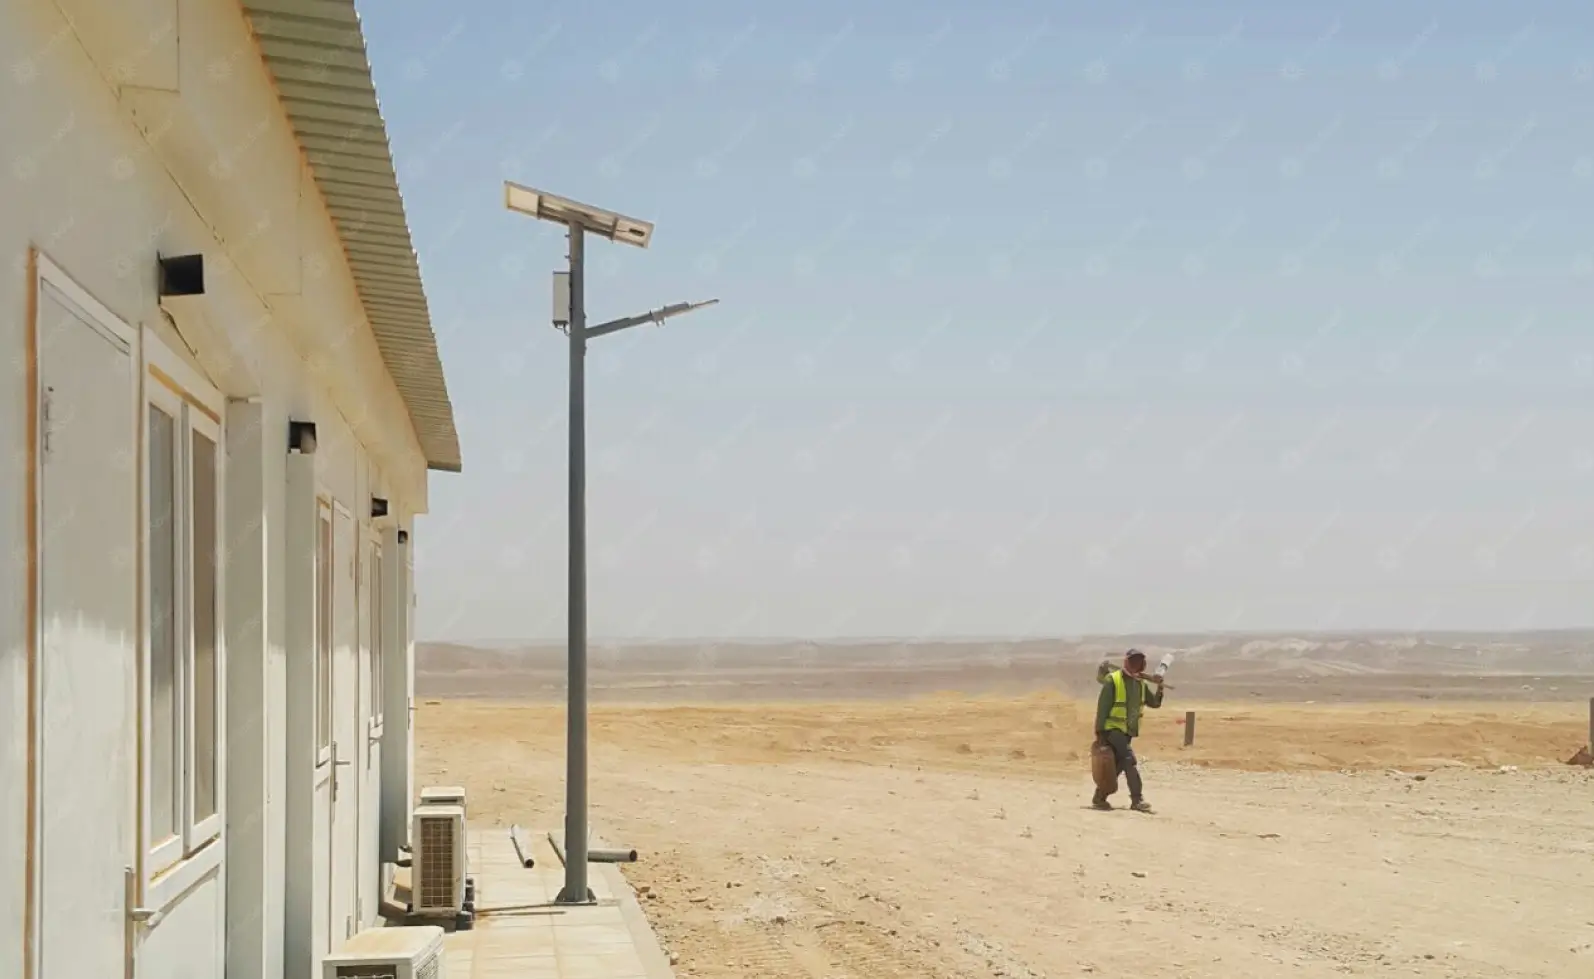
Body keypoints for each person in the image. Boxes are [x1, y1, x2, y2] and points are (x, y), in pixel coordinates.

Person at [1092, 648, 1164, 813]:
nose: (1135, 664)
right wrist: (1100, 733)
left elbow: (1154, 703)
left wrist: (1160, 687)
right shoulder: (1113, 681)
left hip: (1128, 731)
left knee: (1118, 764)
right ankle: (1137, 799)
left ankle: (1099, 798)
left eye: (1139, 662)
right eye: (1133, 661)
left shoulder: (1140, 684)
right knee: (1129, 759)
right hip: (1112, 729)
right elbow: (1102, 707)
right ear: (1127, 662)